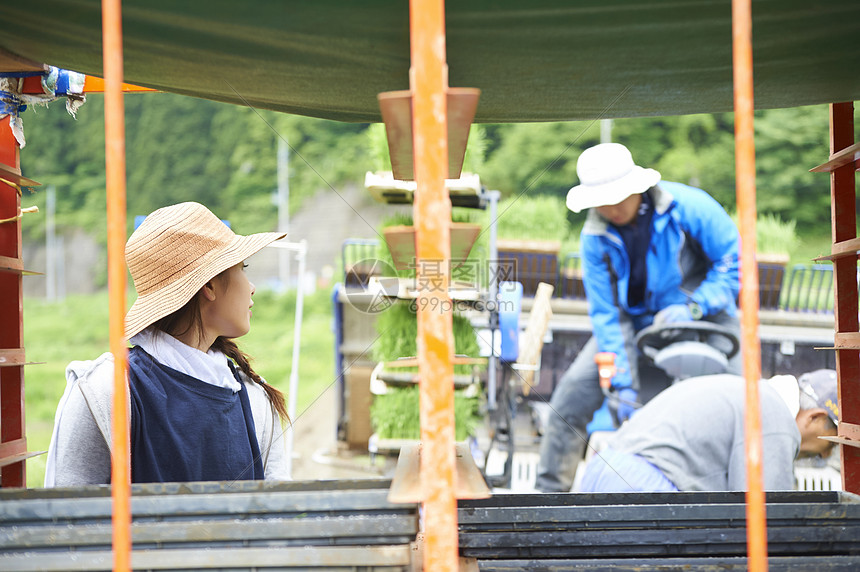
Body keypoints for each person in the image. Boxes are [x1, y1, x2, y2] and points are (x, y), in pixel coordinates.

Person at [535, 142, 741, 492]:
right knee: (571, 397)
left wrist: (695, 306)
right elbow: (608, 314)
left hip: (703, 319)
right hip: (634, 326)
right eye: (602, 200)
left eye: (618, 197)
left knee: (737, 401)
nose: (612, 208)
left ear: (638, 186)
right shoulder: (595, 237)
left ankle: (741, 496)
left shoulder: (689, 208)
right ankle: (547, 501)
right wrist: (623, 384)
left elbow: (733, 264)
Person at [44, 202, 290, 486]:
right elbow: (67, 519)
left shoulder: (254, 399)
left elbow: (273, 518)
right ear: (209, 285)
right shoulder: (105, 392)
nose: (251, 286)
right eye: (242, 268)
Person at [578, 370, 840, 492]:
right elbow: (766, 519)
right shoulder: (777, 418)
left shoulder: (745, 391)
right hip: (642, 486)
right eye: (829, 445)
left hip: (602, 469)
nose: (826, 456)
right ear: (815, 417)